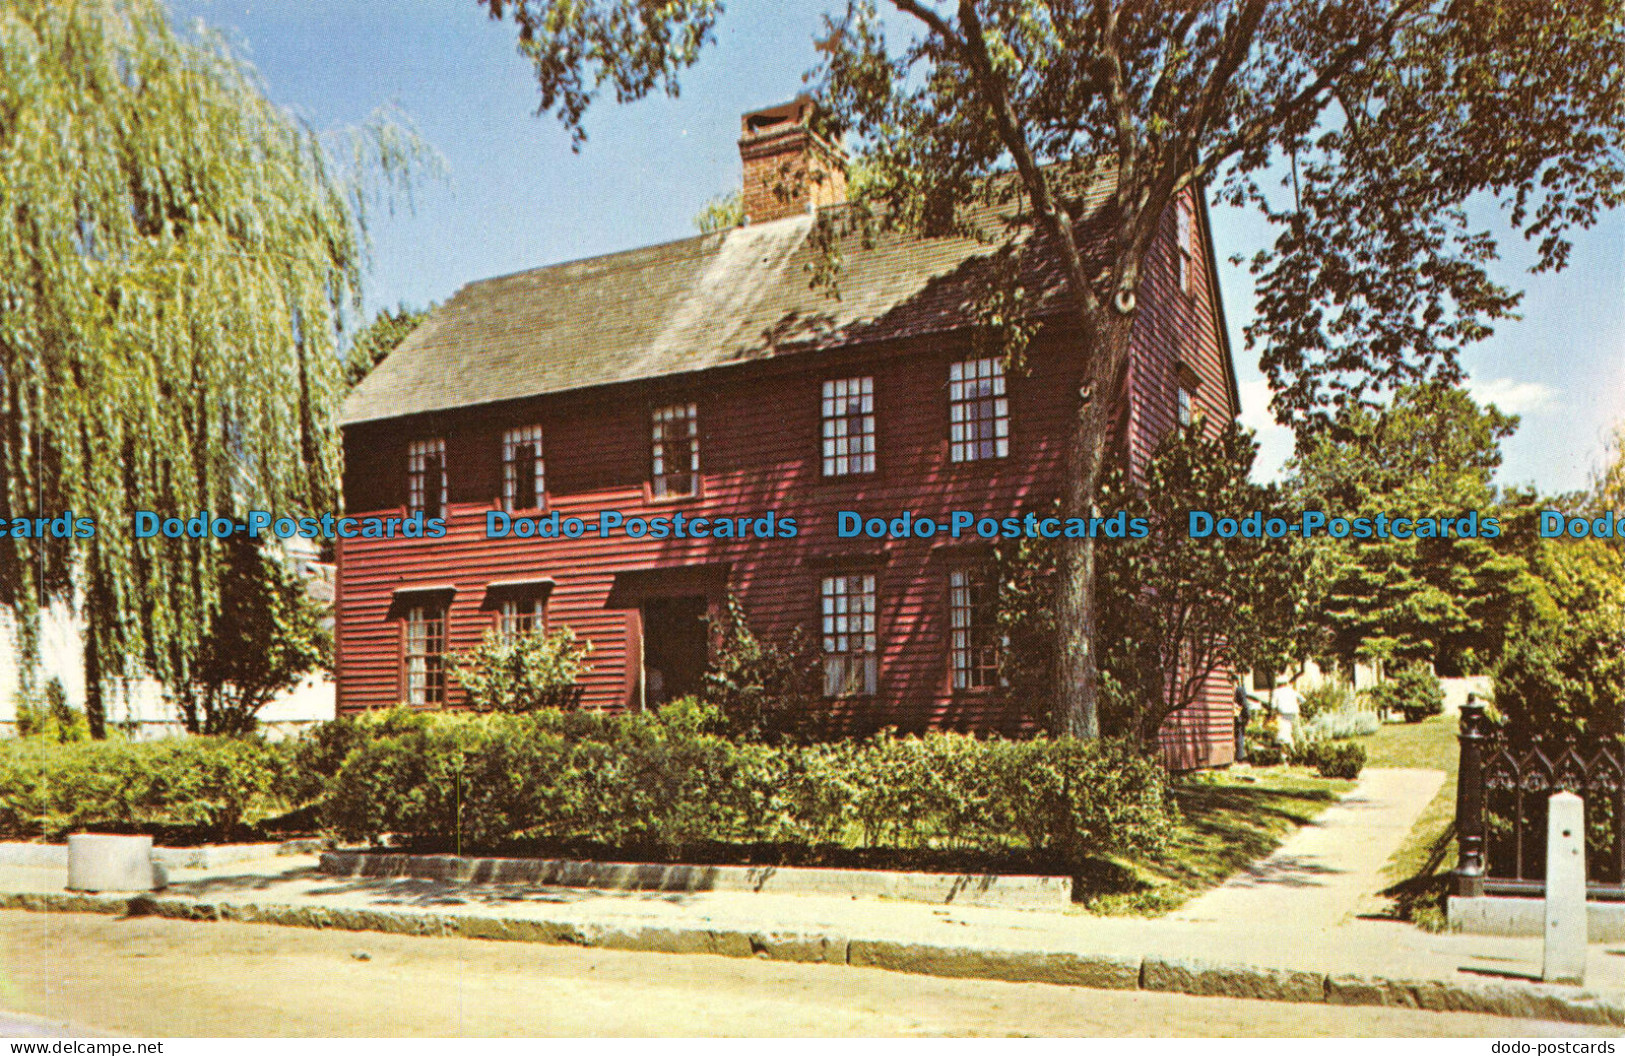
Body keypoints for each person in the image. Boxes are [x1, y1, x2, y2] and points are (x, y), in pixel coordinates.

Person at [1272, 677, 1301, 747]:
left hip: (1283, 712)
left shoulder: (1276, 691)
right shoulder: (1291, 690)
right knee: (1290, 729)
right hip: (1294, 712)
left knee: (1283, 730)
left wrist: (1274, 712)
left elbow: (1273, 705)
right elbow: (1302, 699)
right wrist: (1297, 703)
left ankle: (1285, 747)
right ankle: (1292, 746)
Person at [1233, 680, 1251, 763]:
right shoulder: (1240, 689)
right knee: (1239, 736)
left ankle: (1237, 755)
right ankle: (1240, 757)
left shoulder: (1232, 690)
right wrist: (1248, 716)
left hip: (1232, 716)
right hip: (1238, 716)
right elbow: (1244, 703)